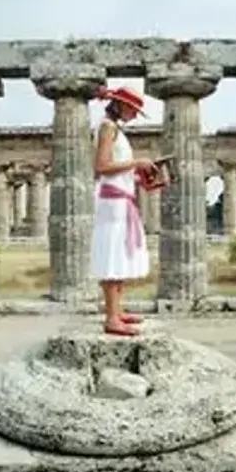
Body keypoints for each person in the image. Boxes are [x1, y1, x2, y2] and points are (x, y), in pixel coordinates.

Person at [90, 86, 169, 336]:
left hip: (119, 197)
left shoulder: (115, 129)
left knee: (119, 253)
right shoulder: (108, 127)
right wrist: (138, 162)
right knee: (113, 253)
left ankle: (117, 311)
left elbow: (115, 168)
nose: (135, 115)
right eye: (134, 110)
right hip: (112, 202)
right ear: (121, 105)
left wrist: (140, 176)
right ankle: (112, 318)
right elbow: (101, 166)